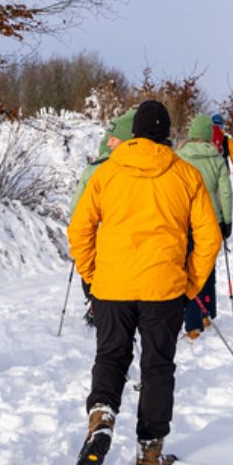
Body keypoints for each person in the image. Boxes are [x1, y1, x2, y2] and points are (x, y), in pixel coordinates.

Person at [67, 100, 220, 465]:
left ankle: (101, 414)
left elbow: (79, 229)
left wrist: (91, 275)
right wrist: (190, 282)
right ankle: (149, 452)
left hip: (113, 286)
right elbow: (208, 238)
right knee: (157, 367)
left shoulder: (107, 172)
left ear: (133, 132)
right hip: (163, 288)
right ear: (167, 133)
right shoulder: (186, 175)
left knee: (111, 355)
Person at [69, 107, 136, 324]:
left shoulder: (97, 169)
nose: (109, 143)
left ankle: (94, 304)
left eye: (113, 139)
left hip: (98, 235)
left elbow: (76, 207)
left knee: (93, 267)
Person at [178, 114, 233, 340]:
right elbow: (225, 193)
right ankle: (206, 313)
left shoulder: (178, 158)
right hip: (212, 219)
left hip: (187, 220)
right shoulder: (217, 159)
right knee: (207, 267)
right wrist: (226, 222)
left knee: (189, 267)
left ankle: (192, 324)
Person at [210, 113, 233, 189]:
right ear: (222, 127)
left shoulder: (204, 140)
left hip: (207, 176)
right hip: (223, 175)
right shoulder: (227, 141)